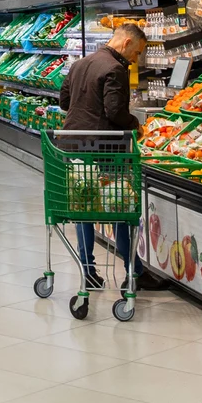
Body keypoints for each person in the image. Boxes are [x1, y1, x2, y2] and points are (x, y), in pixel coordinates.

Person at [55, 21, 148, 290]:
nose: (136, 59)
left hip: (73, 147)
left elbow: (64, 102)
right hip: (104, 150)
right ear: (126, 43)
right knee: (119, 204)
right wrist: (135, 125)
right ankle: (134, 270)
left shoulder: (79, 64)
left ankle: (88, 269)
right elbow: (115, 112)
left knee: (83, 206)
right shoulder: (115, 68)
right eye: (137, 52)